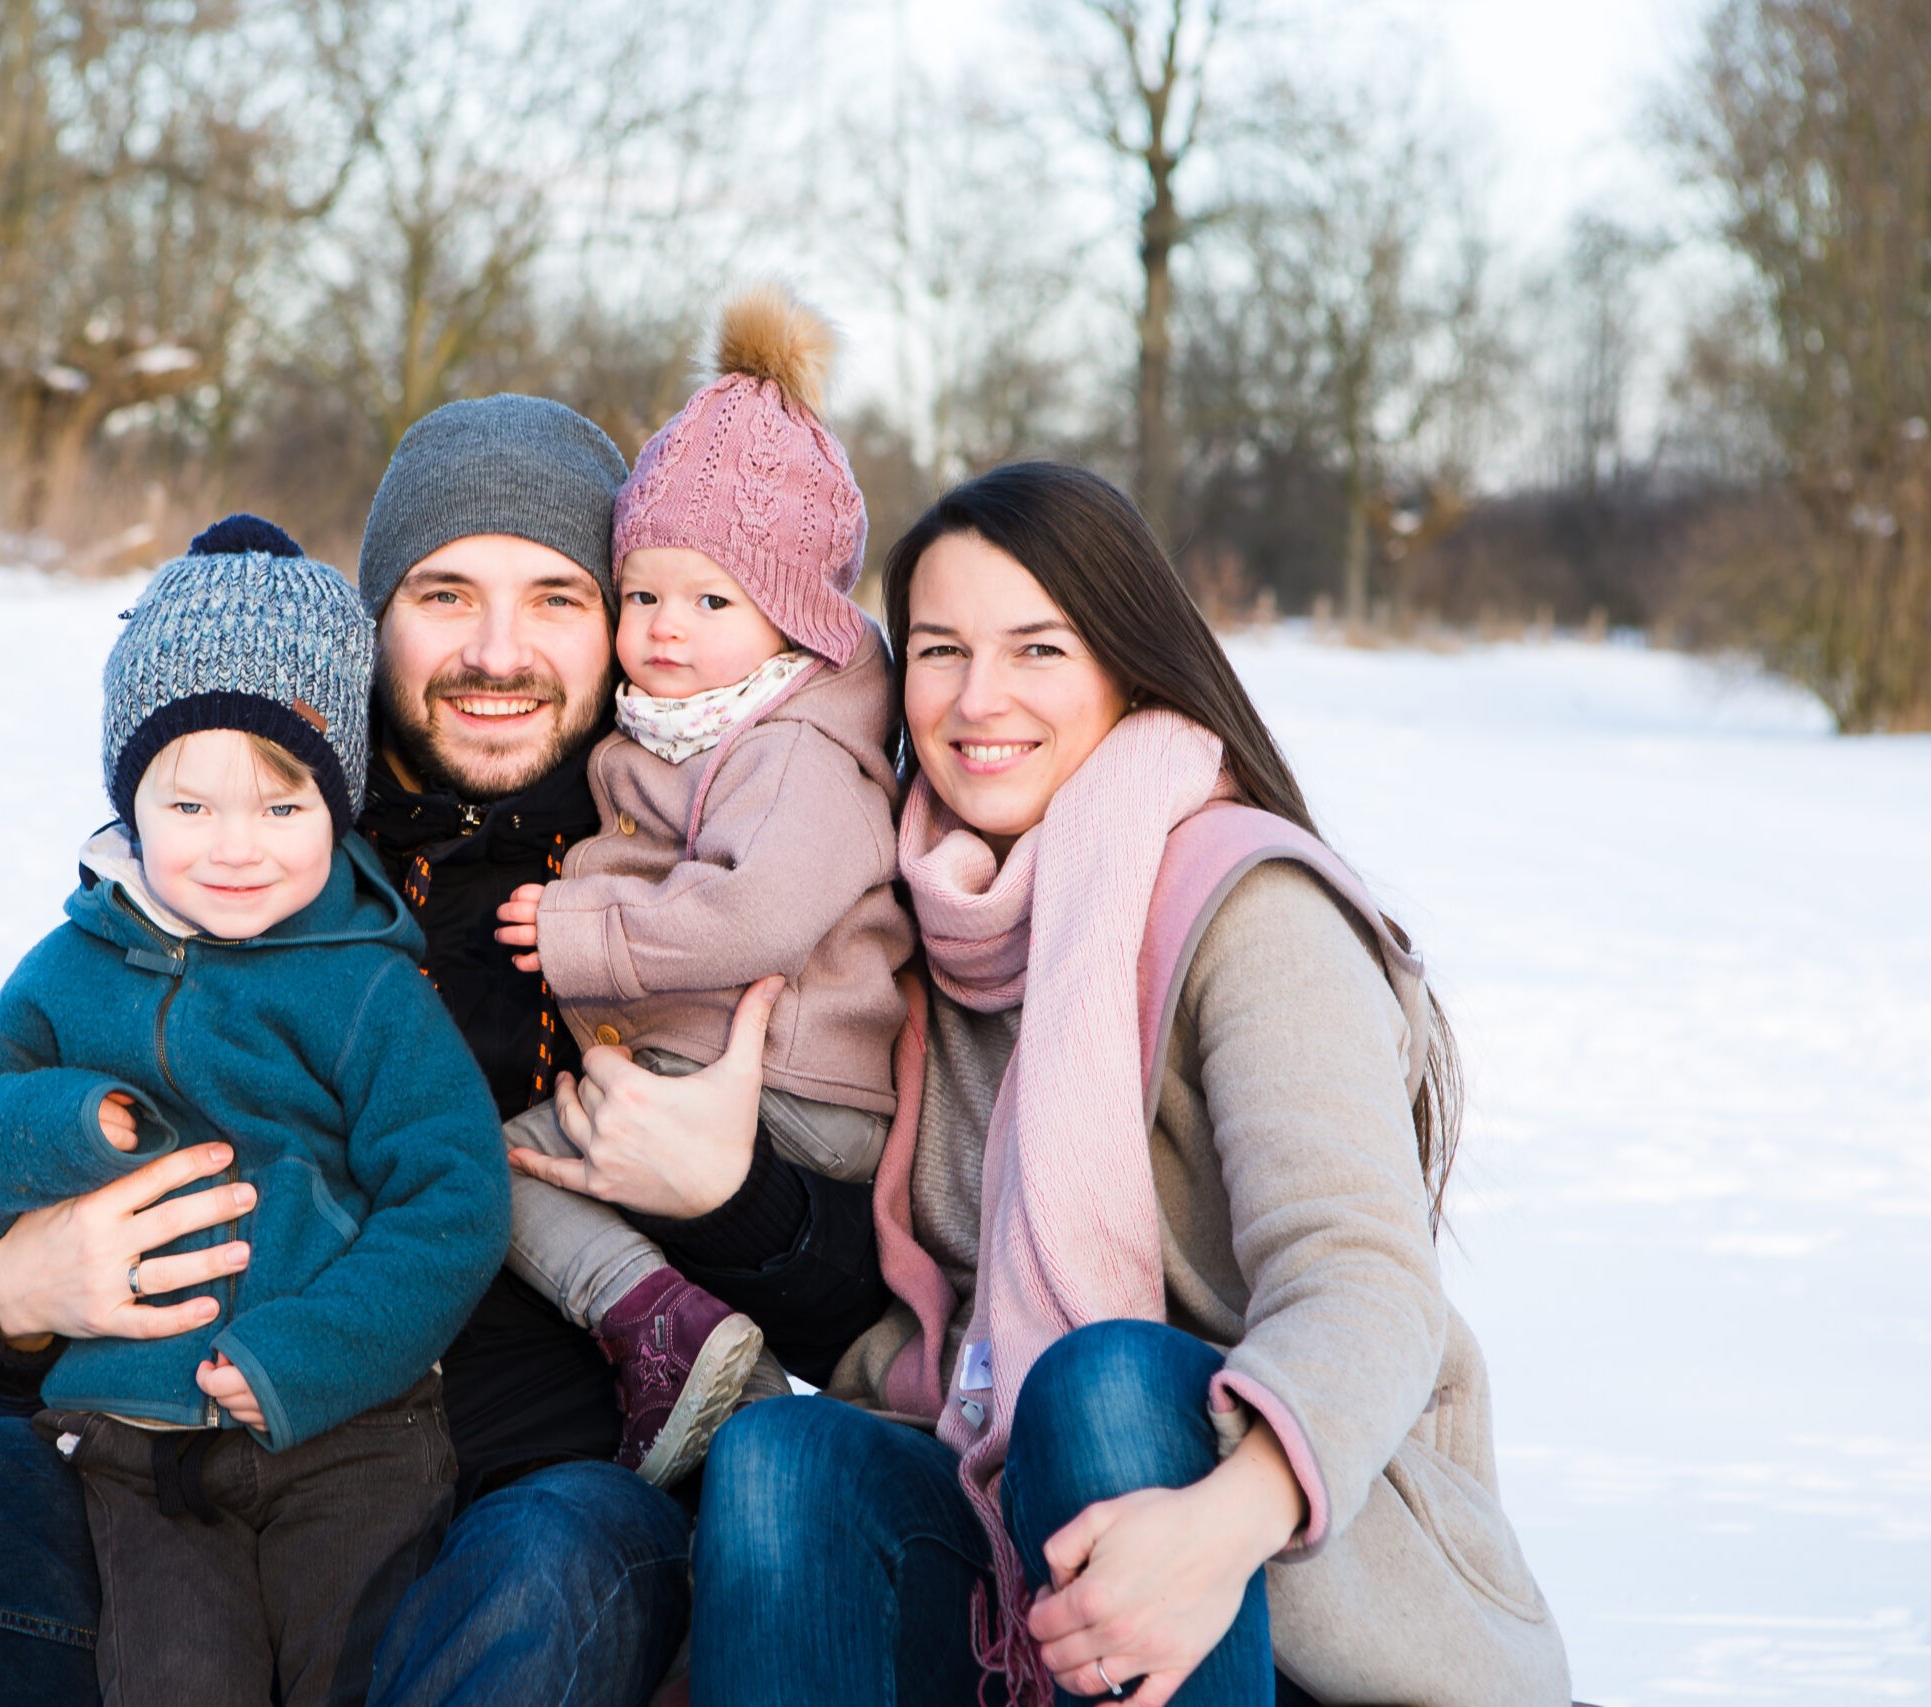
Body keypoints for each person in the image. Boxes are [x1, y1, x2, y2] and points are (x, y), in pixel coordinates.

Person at [0, 394, 892, 1707]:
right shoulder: (242, 846)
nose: (498, 648)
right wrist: (5, 1302)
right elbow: (19, 1162)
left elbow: (876, 1317)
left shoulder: (706, 875)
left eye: (555, 595)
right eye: (440, 593)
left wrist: (735, 1199)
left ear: (623, 622)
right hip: (182, 1495)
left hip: (521, 1521)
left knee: (544, 1565)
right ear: (372, 619)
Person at [604, 463, 1571, 1704]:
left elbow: (1364, 1284)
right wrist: (722, 1189)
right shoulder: (923, 924)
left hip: (1292, 1569)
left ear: (1127, 663)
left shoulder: (1247, 902)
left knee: (1103, 1381)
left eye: (1038, 649)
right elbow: (917, 1342)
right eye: (940, 650)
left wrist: (1221, 1525)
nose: (978, 697)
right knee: (784, 1455)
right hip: (1016, 1536)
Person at [0, 515, 508, 1706]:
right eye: (190, 811)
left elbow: (453, 1200)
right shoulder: (73, 966)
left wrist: (308, 1353)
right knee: (177, 1678)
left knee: (352, 1672)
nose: (236, 850)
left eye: (282, 809)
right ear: (132, 803)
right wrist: (64, 1125)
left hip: (349, 1437)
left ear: (338, 806)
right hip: (135, 1447)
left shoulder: (366, 986)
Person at [490, 287, 913, 1487]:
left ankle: (662, 1326)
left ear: (791, 618)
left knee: (495, 1167)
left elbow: (756, 912)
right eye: (643, 595)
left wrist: (584, 935)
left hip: (789, 1082)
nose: (665, 629)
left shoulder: (796, 752)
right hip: (731, 1065)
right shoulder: (692, 721)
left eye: (711, 601)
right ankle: (688, 1334)